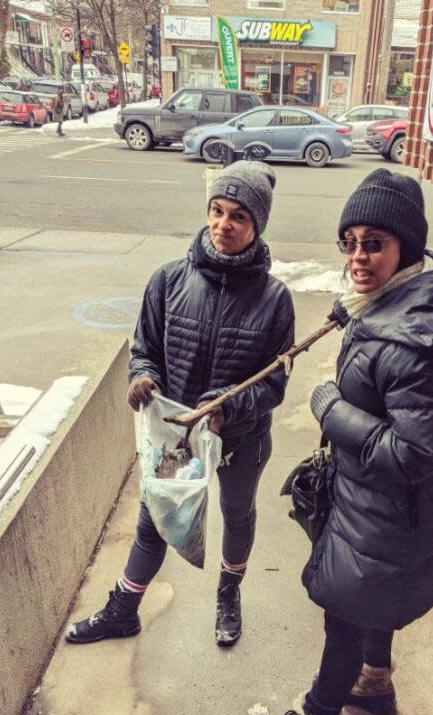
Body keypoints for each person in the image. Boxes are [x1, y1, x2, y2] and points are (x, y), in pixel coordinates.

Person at [249, 168, 433, 715]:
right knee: (371, 599)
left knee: (347, 611)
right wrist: (356, 313)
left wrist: (330, 409)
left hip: (393, 517)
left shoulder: (413, 343)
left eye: (373, 243)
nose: (357, 255)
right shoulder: (393, 304)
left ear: (406, 246)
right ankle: (374, 683)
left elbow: (413, 453)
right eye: (349, 241)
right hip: (386, 513)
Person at [66, 161, 295, 647]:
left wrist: (229, 407)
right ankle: (124, 609)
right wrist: (142, 376)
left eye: (238, 216)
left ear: (257, 226)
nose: (223, 225)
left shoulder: (275, 300)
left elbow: (274, 384)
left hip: (240, 438)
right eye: (216, 210)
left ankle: (228, 593)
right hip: (178, 436)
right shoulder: (168, 281)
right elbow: (143, 348)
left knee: (237, 515)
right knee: (155, 521)